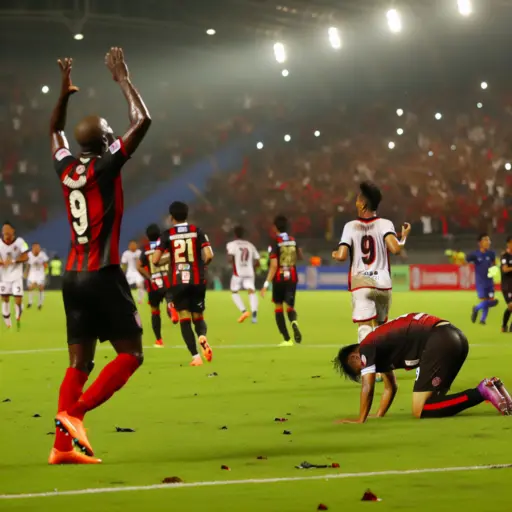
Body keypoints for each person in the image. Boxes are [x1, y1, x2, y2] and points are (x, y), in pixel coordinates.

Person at [49, 48, 151, 465]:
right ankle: (75, 414)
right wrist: (123, 79)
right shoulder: (106, 166)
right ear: (108, 141)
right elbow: (143, 120)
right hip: (102, 272)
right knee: (131, 353)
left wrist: (63, 94)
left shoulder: (66, 167)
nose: (114, 132)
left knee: (80, 360)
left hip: (72, 278)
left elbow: (53, 133)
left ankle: (61, 449)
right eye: (111, 130)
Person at [334, 312, 512, 423]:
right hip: (454, 337)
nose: (365, 371)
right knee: (435, 402)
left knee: (420, 410)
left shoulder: (366, 346)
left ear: (354, 356)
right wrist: (379, 414)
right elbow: (390, 386)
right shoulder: (380, 348)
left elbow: (368, 386)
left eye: (359, 368)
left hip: (439, 342)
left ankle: (482, 391)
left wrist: (360, 419)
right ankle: (496, 388)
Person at [332, 181, 411, 343]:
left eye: (358, 200)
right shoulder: (385, 224)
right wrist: (403, 237)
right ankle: (385, 363)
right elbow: (396, 249)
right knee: (382, 328)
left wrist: (334, 253)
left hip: (361, 282)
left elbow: (341, 256)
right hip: (382, 283)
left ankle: (369, 365)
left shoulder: (350, 226)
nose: (356, 203)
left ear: (363, 205)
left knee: (364, 327)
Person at [153, 201, 214, 366]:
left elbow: (155, 260)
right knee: (198, 316)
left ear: (171, 217)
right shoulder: (197, 231)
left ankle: (196, 357)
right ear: (187, 215)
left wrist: (170, 258)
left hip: (178, 281)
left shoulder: (167, 234)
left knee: (184, 318)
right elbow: (208, 255)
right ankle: (202, 336)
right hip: (197, 279)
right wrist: (202, 265)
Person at [260, 215, 303, 347]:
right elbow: (300, 256)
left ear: (275, 227)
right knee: (289, 307)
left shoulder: (274, 242)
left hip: (279, 278)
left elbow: (273, 265)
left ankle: (287, 339)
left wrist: (266, 284)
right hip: (292, 277)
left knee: (278, 308)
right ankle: (294, 322)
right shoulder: (292, 240)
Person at [137, 223, 176, 347]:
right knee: (170, 298)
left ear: (148, 236)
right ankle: (171, 307)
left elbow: (139, 266)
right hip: (167, 280)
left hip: (154, 283)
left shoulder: (146, 248)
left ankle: (159, 340)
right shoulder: (165, 245)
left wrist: (149, 277)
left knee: (155, 312)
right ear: (160, 234)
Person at [226, 226, 260, 323]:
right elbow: (257, 262)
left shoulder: (231, 244)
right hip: (249, 272)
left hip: (238, 273)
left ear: (235, 234)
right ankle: (254, 315)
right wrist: (251, 268)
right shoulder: (250, 245)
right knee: (251, 291)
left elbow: (230, 259)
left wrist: (233, 261)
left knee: (234, 291)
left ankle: (244, 311)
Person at [0, 222, 29, 330]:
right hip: (3, 277)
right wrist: (2, 263)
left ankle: (18, 316)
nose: (5, 234)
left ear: (13, 231)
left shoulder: (21, 242)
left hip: (17, 276)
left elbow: (26, 256)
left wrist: (13, 261)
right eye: (4, 231)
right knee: (5, 298)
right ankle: (8, 323)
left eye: (7, 231)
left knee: (18, 299)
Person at [467, 234, 498, 325]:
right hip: (481, 282)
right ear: (480, 242)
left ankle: (476, 309)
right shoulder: (475, 254)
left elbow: (494, 265)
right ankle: (483, 319)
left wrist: (494, 271)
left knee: (490, 300)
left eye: (489, 240)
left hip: (490, 281)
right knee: (486, 300)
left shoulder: (491, 254)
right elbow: (467, 260)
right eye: (485, 240)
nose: (488, 242)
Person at [26, 242, 49, 310]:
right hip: (32, 274)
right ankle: (30, 302)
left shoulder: (43, 254)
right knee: (30, 288)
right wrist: (26, 273)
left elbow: (45, 264)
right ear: (33, 247)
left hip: (40, 274)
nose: (37, 248)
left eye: (38, 247)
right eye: (35, 247)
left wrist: (45, 268)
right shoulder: (29, 254)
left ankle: (40, 304)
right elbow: (28, 265)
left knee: (41, 288)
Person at [121, 240, 144, 304]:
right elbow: (124, 264)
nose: (133, 246)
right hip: (130, 272)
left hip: (137, 272)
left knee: (140, 285)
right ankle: (126, 300)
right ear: (129, 246)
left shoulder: (139, 252)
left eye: (134, 245)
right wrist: (122, 272)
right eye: (131, 245)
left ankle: (140, 300)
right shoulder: (126, 253)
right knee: (126, 287)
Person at [500, 236, 512, 332]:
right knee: (511, 306)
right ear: (508, 243)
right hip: (507, 286)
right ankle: (504, 325)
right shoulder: (505, 256)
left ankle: (509, 326)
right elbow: (505, 269)